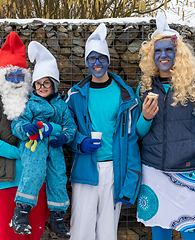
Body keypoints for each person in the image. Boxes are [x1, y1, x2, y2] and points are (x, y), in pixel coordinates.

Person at [135, 13, 195, 240]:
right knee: (159, 236)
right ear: (152, 56)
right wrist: (145, 117)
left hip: (186, 174)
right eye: (158, 51)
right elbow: (138, 134)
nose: (163, 55)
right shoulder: (144, 89)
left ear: (178, 53)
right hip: (153, 173)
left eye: (168, 50)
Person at [65, 23, 142, 240]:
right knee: (81, 230)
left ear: (108, 60)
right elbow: (66, 128)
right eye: (92, 58)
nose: (96, 63)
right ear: (86, 61)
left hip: (114, 170)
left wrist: (130, 183)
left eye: (101, 58)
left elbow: (131, 141)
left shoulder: (126, 96)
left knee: (108, 232)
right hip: (85, 169)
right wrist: (80, 142)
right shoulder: (75, 95)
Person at [0, 31, 50, 240]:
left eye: (20, 76)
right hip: (4, 183)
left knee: (33, 235)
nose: (16, 81)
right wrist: (21, 152)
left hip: (35, 183)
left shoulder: (35, 101)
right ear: (2, 78)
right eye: (11, 76)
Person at [10, 41, 76, 238]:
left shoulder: (62, 106)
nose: (42, 87)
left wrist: (64, 136)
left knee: (58, 179)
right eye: (38, 84)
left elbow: (70, 126)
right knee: (34, 174)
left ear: (54, 84)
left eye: (46, 83)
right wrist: (25, 128)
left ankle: (57, 219)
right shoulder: (30, 104)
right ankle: (20, 215)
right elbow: (16, 125)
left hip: (54, 149)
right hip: (34, 147)